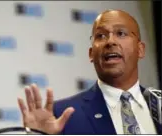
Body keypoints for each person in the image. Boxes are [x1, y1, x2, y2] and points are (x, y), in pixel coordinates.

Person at [17, 9, 161, 134]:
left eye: (121, 33)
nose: (110, 41)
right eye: (101, 36)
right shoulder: (62, 114)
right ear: (91, 54)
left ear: (140, 49)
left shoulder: (158, 105)